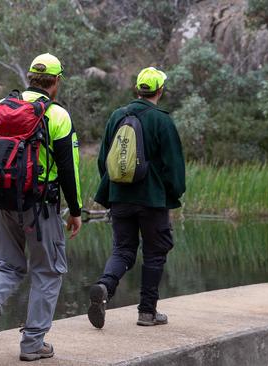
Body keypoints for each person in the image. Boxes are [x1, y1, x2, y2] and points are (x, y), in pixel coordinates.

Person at [0, 53, 83, 362]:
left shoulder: (0, 108)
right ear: (56, 81)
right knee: (47, 271)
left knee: (7, 264)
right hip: (40, 206)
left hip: (2, 201)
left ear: (31, 77)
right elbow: (69, 169)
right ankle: (33, 344)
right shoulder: (57, 115)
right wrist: (76, 210)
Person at [88, 67, 186, 329]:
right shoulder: (162, 121)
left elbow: (103, 160)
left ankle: (104, 286)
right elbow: (173, 167)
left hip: (120, 197)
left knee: (123, 250)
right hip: (152, 200)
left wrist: (113, 192)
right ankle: (147, 312)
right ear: (160, 91)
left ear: (138, 89)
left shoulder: (117, 116)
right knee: (155, 253)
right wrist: (173, 194)